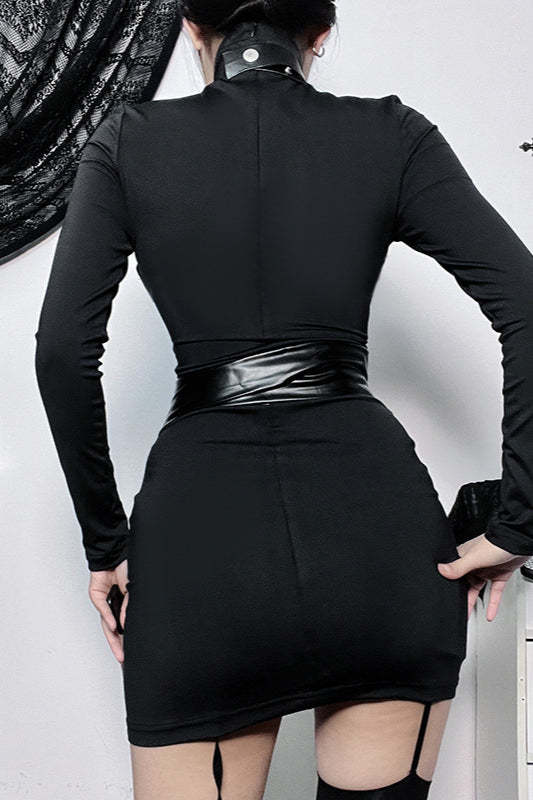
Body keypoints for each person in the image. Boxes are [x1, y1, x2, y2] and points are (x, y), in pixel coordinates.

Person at [34, 1, 533, 798]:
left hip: (202, 547)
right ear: (320, 35)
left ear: (191, 30)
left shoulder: (128, 141)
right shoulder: (391, 135)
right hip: (376, 537)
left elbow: (62, 353)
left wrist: (105, 543)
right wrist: (517, 519)